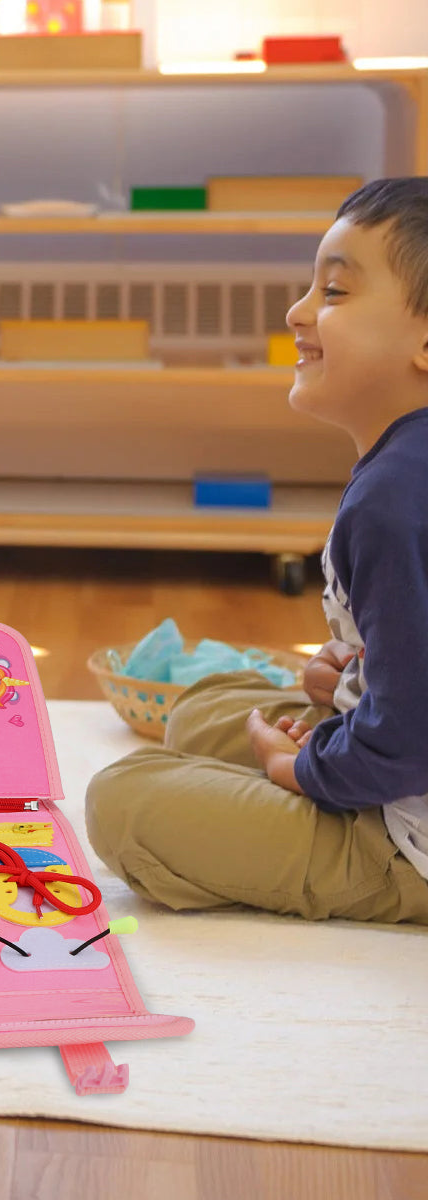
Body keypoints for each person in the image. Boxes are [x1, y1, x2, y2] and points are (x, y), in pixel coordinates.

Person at [86, 177, 428, 927]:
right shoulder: (405, 469)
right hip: (394, 747)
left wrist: (294, 768)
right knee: (203, 711)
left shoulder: (393, 500)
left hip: (407, 836)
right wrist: (352, 674)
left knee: (124, 801)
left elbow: (407, 741)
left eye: (334, 292)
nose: (297, 311)